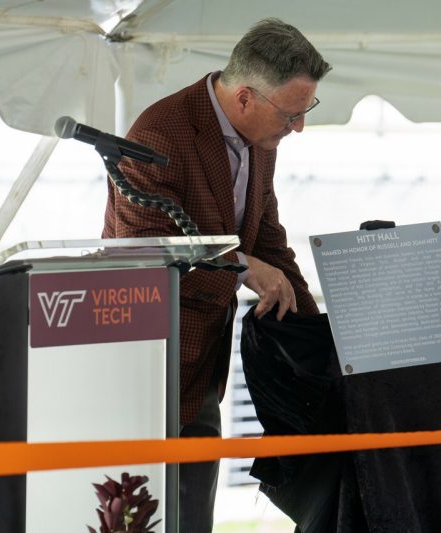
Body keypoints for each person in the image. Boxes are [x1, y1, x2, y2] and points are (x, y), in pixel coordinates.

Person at [102, 18, 331, 531]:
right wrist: (244, 269)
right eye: (292, 114)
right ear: (246, 97)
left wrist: (319, 336)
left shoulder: (260, 140)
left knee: (192, 508)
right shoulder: (159, 135)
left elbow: (268, 239)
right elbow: (146, 255)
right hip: (147, 360)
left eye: (305, 111)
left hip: (203, 363)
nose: (298, 128)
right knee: (141, 511)